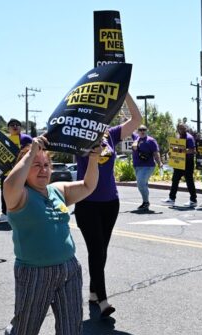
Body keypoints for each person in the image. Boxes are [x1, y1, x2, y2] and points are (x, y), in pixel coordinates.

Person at [0, 136, 99, 335]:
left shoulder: (57, 190)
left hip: (68, 268)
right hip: (34, 272)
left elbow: (87, 185)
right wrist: (30, 153)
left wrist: (93, 159)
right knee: (26, 328)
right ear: (25, 168)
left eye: (46, 164)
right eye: (36, 165)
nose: (43, 169)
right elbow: (9, 182)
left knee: (71, 327)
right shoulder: (18, 195)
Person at [75, 94, 142, 317]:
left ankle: (94, 292)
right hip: (87, 203)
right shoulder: (80, 135)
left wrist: (125, 94)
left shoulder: (112, 134)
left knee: (101, 252)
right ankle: (103, 300)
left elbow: (136, 119)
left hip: (110, 202)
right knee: (96, 251)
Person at [0, 119, 33, 223]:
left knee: (24, 191)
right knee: (4, 192)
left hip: (21, 171)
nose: (15, 126)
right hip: (6, 172)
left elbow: (33, 151)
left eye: (17, 125)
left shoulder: (26, 138)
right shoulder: (5, 139)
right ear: (8, 128)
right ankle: (5, 213)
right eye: (12, 125)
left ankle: (25, 212)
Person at [164, 123, 197, 207]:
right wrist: (171, 152)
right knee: (175, 180)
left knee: (189, 181)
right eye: (180, 128)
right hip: (179, 162)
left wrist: (180, 150)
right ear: (177, 129)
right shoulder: (178, 137)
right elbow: (175, 148)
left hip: (188, 162)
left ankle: (193, 200)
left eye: (183, 128)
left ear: (186, 128)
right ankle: (171, 199)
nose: (182, 130)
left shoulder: (189, 138)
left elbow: (192, 150)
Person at [131, 124, 160, 211]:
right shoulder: (136, 138)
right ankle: (145, 202)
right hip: (137, 166)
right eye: (140, 130)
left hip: (148, 166)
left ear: (146, 131)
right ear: (138, 131)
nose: (142, 131)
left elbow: (155, 152)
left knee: (140, 183)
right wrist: (127, 120)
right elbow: (130, 129)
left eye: (144, 130)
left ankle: (146, 202)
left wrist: (159, 162)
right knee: (143, 184)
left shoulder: (151, 140)